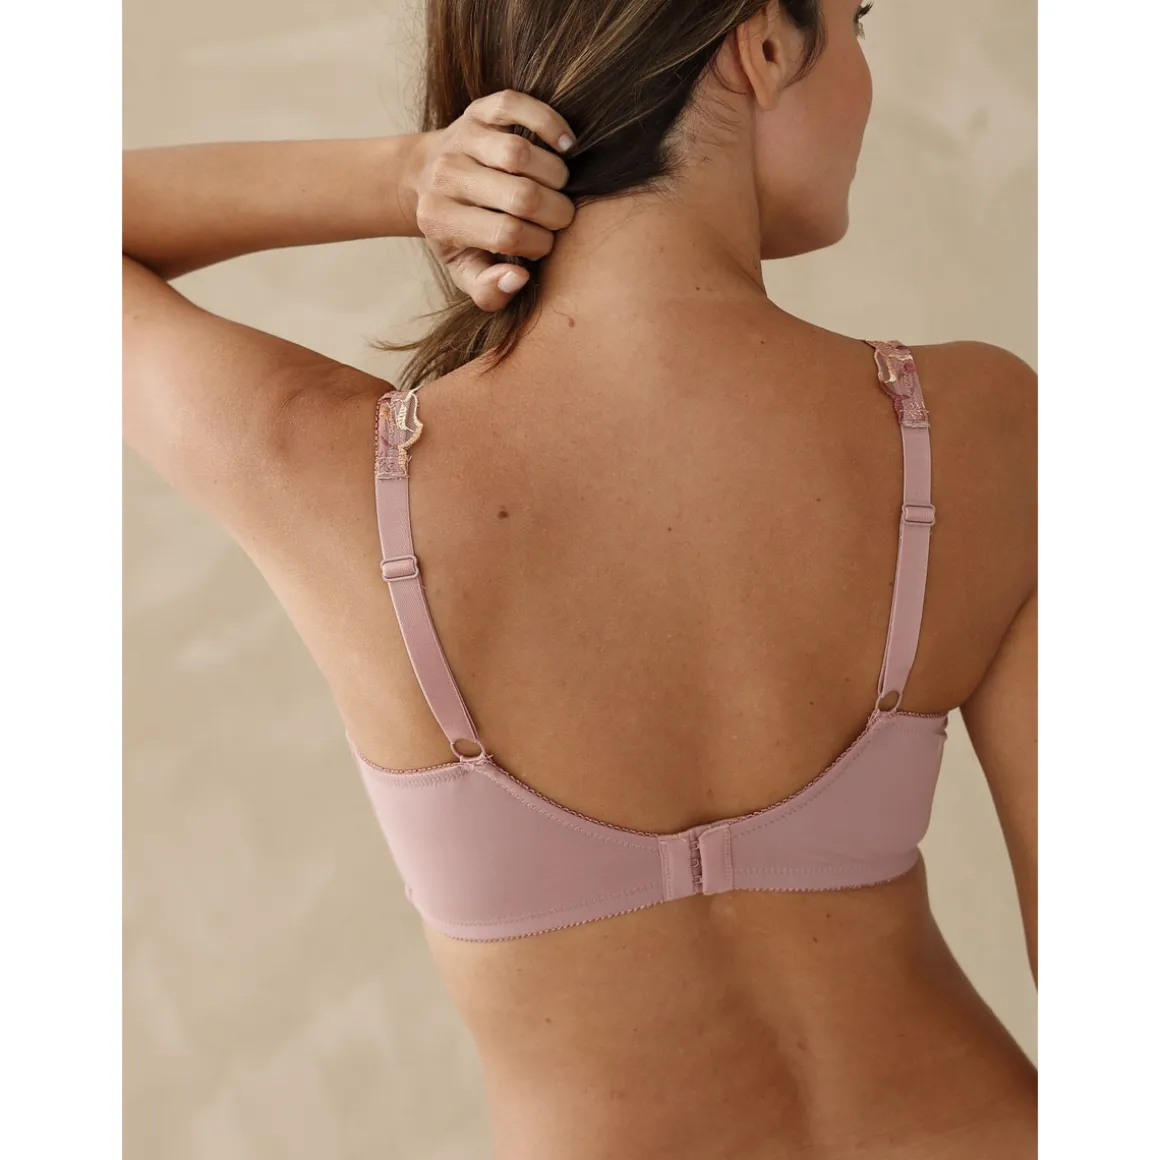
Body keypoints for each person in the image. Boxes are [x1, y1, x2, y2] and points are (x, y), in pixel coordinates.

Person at [122, 0, 1037, 1156]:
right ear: (763, 45)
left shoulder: (333, 474)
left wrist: (407, 178)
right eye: (856, 21)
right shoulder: (973, 427)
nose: (864, 75)